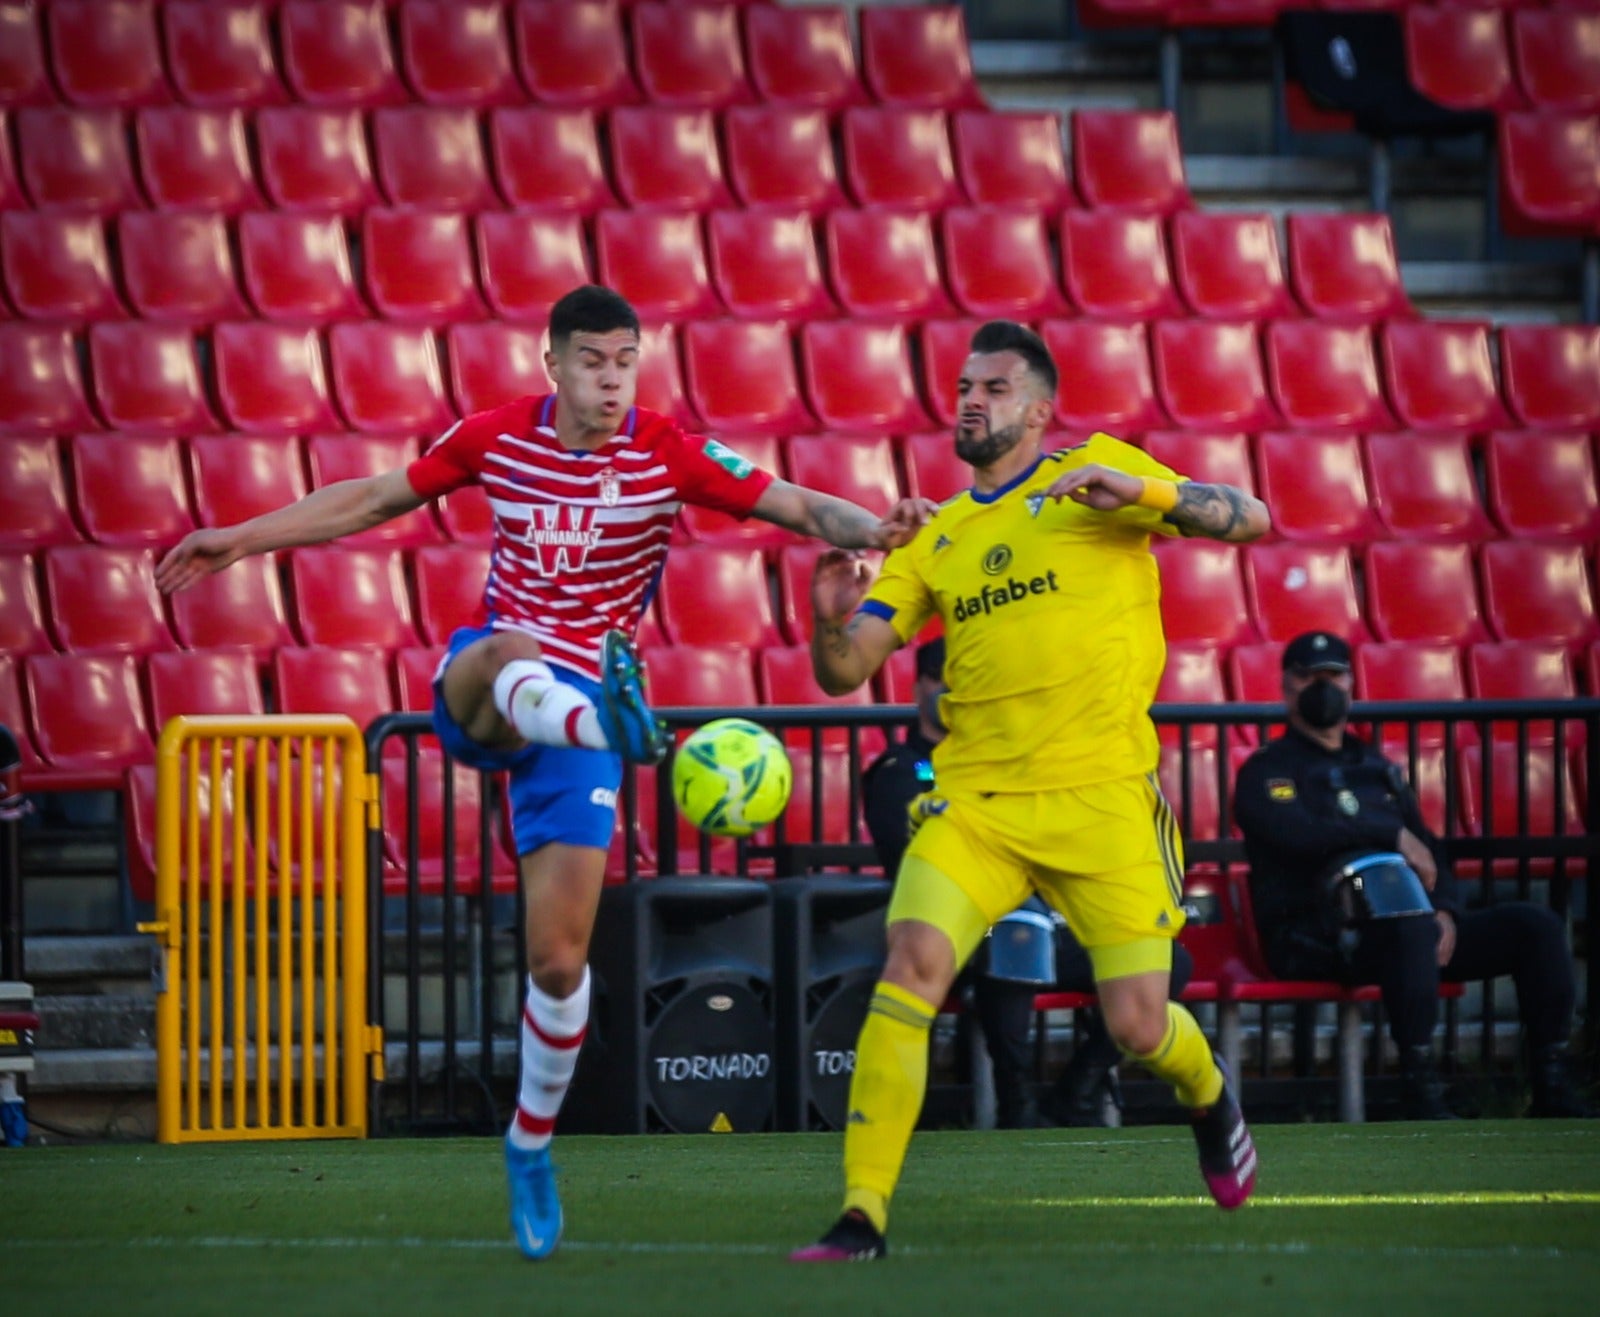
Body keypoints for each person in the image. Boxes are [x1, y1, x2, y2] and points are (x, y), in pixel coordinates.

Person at [156, 285, 934, 1261]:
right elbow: (371, 497)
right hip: (494, 685)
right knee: (509, 647)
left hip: (576, 732)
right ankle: (597, 714)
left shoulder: (668, 450)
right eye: (594, 362)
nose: (612, 381)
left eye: (626, 362)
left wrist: (874, 531)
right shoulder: (496, 438)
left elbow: (797, 502)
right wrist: (241, 536)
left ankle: (528, 1144)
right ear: (554, 363)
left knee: (559, 961)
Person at [792, 319, 1272, 1262]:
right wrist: (826, 617)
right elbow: (845, 670)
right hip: (978, 806)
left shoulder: (1099, 475)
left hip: (1103, 798)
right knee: (911, 963)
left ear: (1042, 409)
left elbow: (1250, 516)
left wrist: (1146, 491)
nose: (973, 401)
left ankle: (1210, 1093)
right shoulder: (937, 537)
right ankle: (862, 1214)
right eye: (965, 387)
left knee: (1138, 1025)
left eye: (996, 388)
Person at [1232, 630, 1595, 1121]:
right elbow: (1293, 834)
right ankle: (1419, 1087)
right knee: (1408, 928)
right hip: (1316, 938)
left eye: (1333, 675)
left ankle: (1550, 1081)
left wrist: (1445, 911)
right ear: (1285, 686)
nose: (1322, 686)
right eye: (1308, 676)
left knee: (1535, 928)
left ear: (1352, 683)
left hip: (1413, 929)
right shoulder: (1265, 770)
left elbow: (1428, 852)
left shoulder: (1377, 767)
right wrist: (1387, 833)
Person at [863, 637, 1195, 1130]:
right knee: (1014, 941)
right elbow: (907, 854)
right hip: (953, 931)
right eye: (942, 677)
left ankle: (1076, 1091)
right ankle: (1016, 1101)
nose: (955, 689)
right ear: (918, 687)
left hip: (1044, 918)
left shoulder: (1019, 765)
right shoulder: (897, 772)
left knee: (1169, 960)